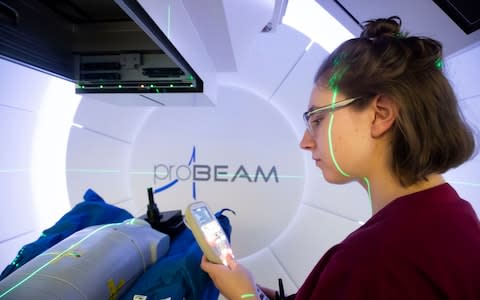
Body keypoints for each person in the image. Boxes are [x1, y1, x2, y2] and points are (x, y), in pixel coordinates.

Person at [201, 16, 480, 299]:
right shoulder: (452, 215)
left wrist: (245, 298)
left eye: (318, 119)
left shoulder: (380, 256)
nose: (305, 141)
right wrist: (255, 292)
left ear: (380, 114)